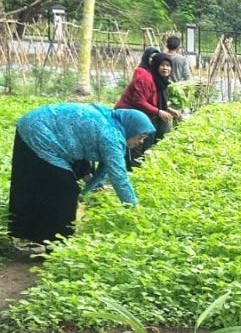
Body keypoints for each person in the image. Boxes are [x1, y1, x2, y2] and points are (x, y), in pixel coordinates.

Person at [8, 103, 153, 246]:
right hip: (37, 131)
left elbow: (81, 149)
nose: (140, 142)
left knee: (50, 185)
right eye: (140, 137)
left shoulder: (111, 122)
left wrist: (92, 180)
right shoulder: (111, 136)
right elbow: (119, 178)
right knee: (64, 190)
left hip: (39, 126)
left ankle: (37, 235)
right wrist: (134, 210)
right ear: (131, 128)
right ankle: (55, 243)